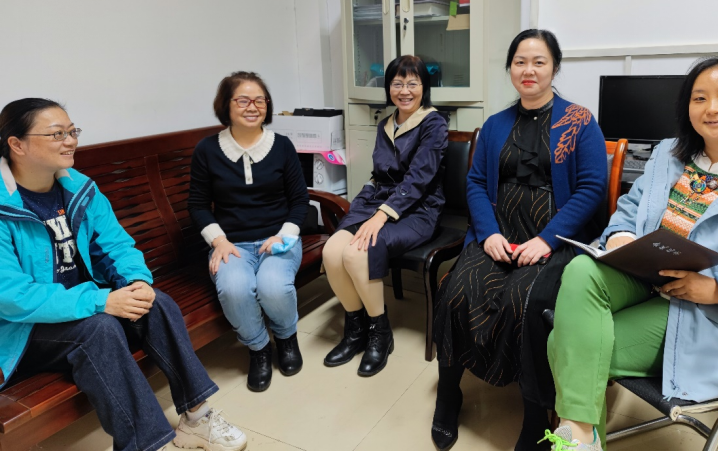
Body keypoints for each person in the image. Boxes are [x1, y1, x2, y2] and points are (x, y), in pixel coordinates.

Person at [542, 53, 718, 451]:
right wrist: (622, 235)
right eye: (699, 98)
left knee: (564, 345)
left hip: (711, 315)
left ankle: (578, 437)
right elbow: (630, 207)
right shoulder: (669, 156)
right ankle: (582, 437)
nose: (711, 108)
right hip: (648, 280)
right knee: (580, 269)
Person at [0, 98, 247, 451]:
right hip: (23, 329)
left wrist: (137, 282)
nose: (70, 141)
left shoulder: (79, 188)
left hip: (85, 305)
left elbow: (117, 245)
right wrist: (100, 301)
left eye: (72, 131)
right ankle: (143, 444)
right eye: (57, 134)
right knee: (98, 329)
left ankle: (197, 418)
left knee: (156, 303)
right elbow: (11, 296)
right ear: (17, 144)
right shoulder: (4, 205)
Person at [431, 29, 608, 450]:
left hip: (554, 238)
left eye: (539, 62)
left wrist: (547, 239)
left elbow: (591, 188)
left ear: (554, 68)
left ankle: (534, 413)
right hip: (499, 234)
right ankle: (448, 393)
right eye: (520, 62)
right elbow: (476, 182)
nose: (529, 70)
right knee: (457, 292)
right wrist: (488, 232)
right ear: (510, 68)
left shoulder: (579, 121)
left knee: (524, 303)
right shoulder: (495, 125)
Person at [322, 55, 448, 377]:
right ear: (389, 87)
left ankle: (380, 331)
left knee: (356, 253)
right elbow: (378, 174)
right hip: (379, 202)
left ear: (424, 87)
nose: (404, 91)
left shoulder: (434, 123)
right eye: (397, 83)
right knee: (332, 251)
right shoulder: (386, 124)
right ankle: (356, 329)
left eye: (412, 83)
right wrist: (364, 205)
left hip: (418, 208)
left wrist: (381, 216)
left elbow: (418, 179)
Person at [188, 71, 309, 392]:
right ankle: (258, 348)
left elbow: (300, 200)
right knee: (235, 289)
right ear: (226, 105)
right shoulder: (207, 150)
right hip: (232, 244)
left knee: (273, 287)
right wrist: (218, 241)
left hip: (278, 239)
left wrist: (283, 235)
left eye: (259, 100)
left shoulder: (282, 146)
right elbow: (198, 205)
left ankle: (286, 338)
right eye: (242, 100)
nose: (252, 106)